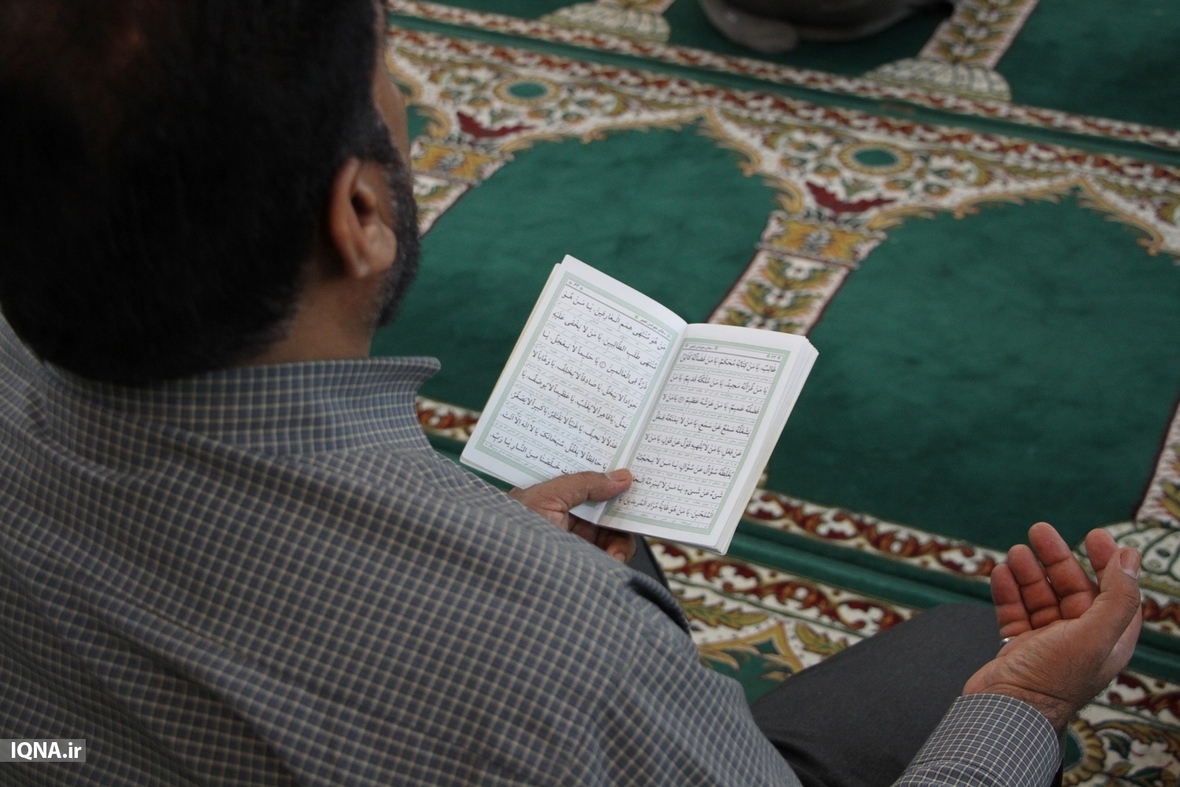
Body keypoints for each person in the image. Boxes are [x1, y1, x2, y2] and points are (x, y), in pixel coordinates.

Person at [0, 0, 1142, 785]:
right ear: (358, 214)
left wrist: (477, 551)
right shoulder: (561, 651)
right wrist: (1026, 708)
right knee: (967, 656)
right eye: (389, 64)